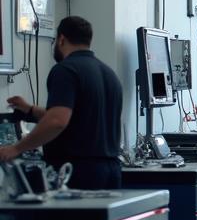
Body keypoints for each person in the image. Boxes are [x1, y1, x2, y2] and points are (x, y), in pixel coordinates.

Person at [1, 16, 123, 189]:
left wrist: (17, 148)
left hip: (78, 172)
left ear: (61, 39)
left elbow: (58, 121)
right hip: (111, 171)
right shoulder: (109, 74)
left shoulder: (66, 70)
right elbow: (75, 117)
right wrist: (30, 110)